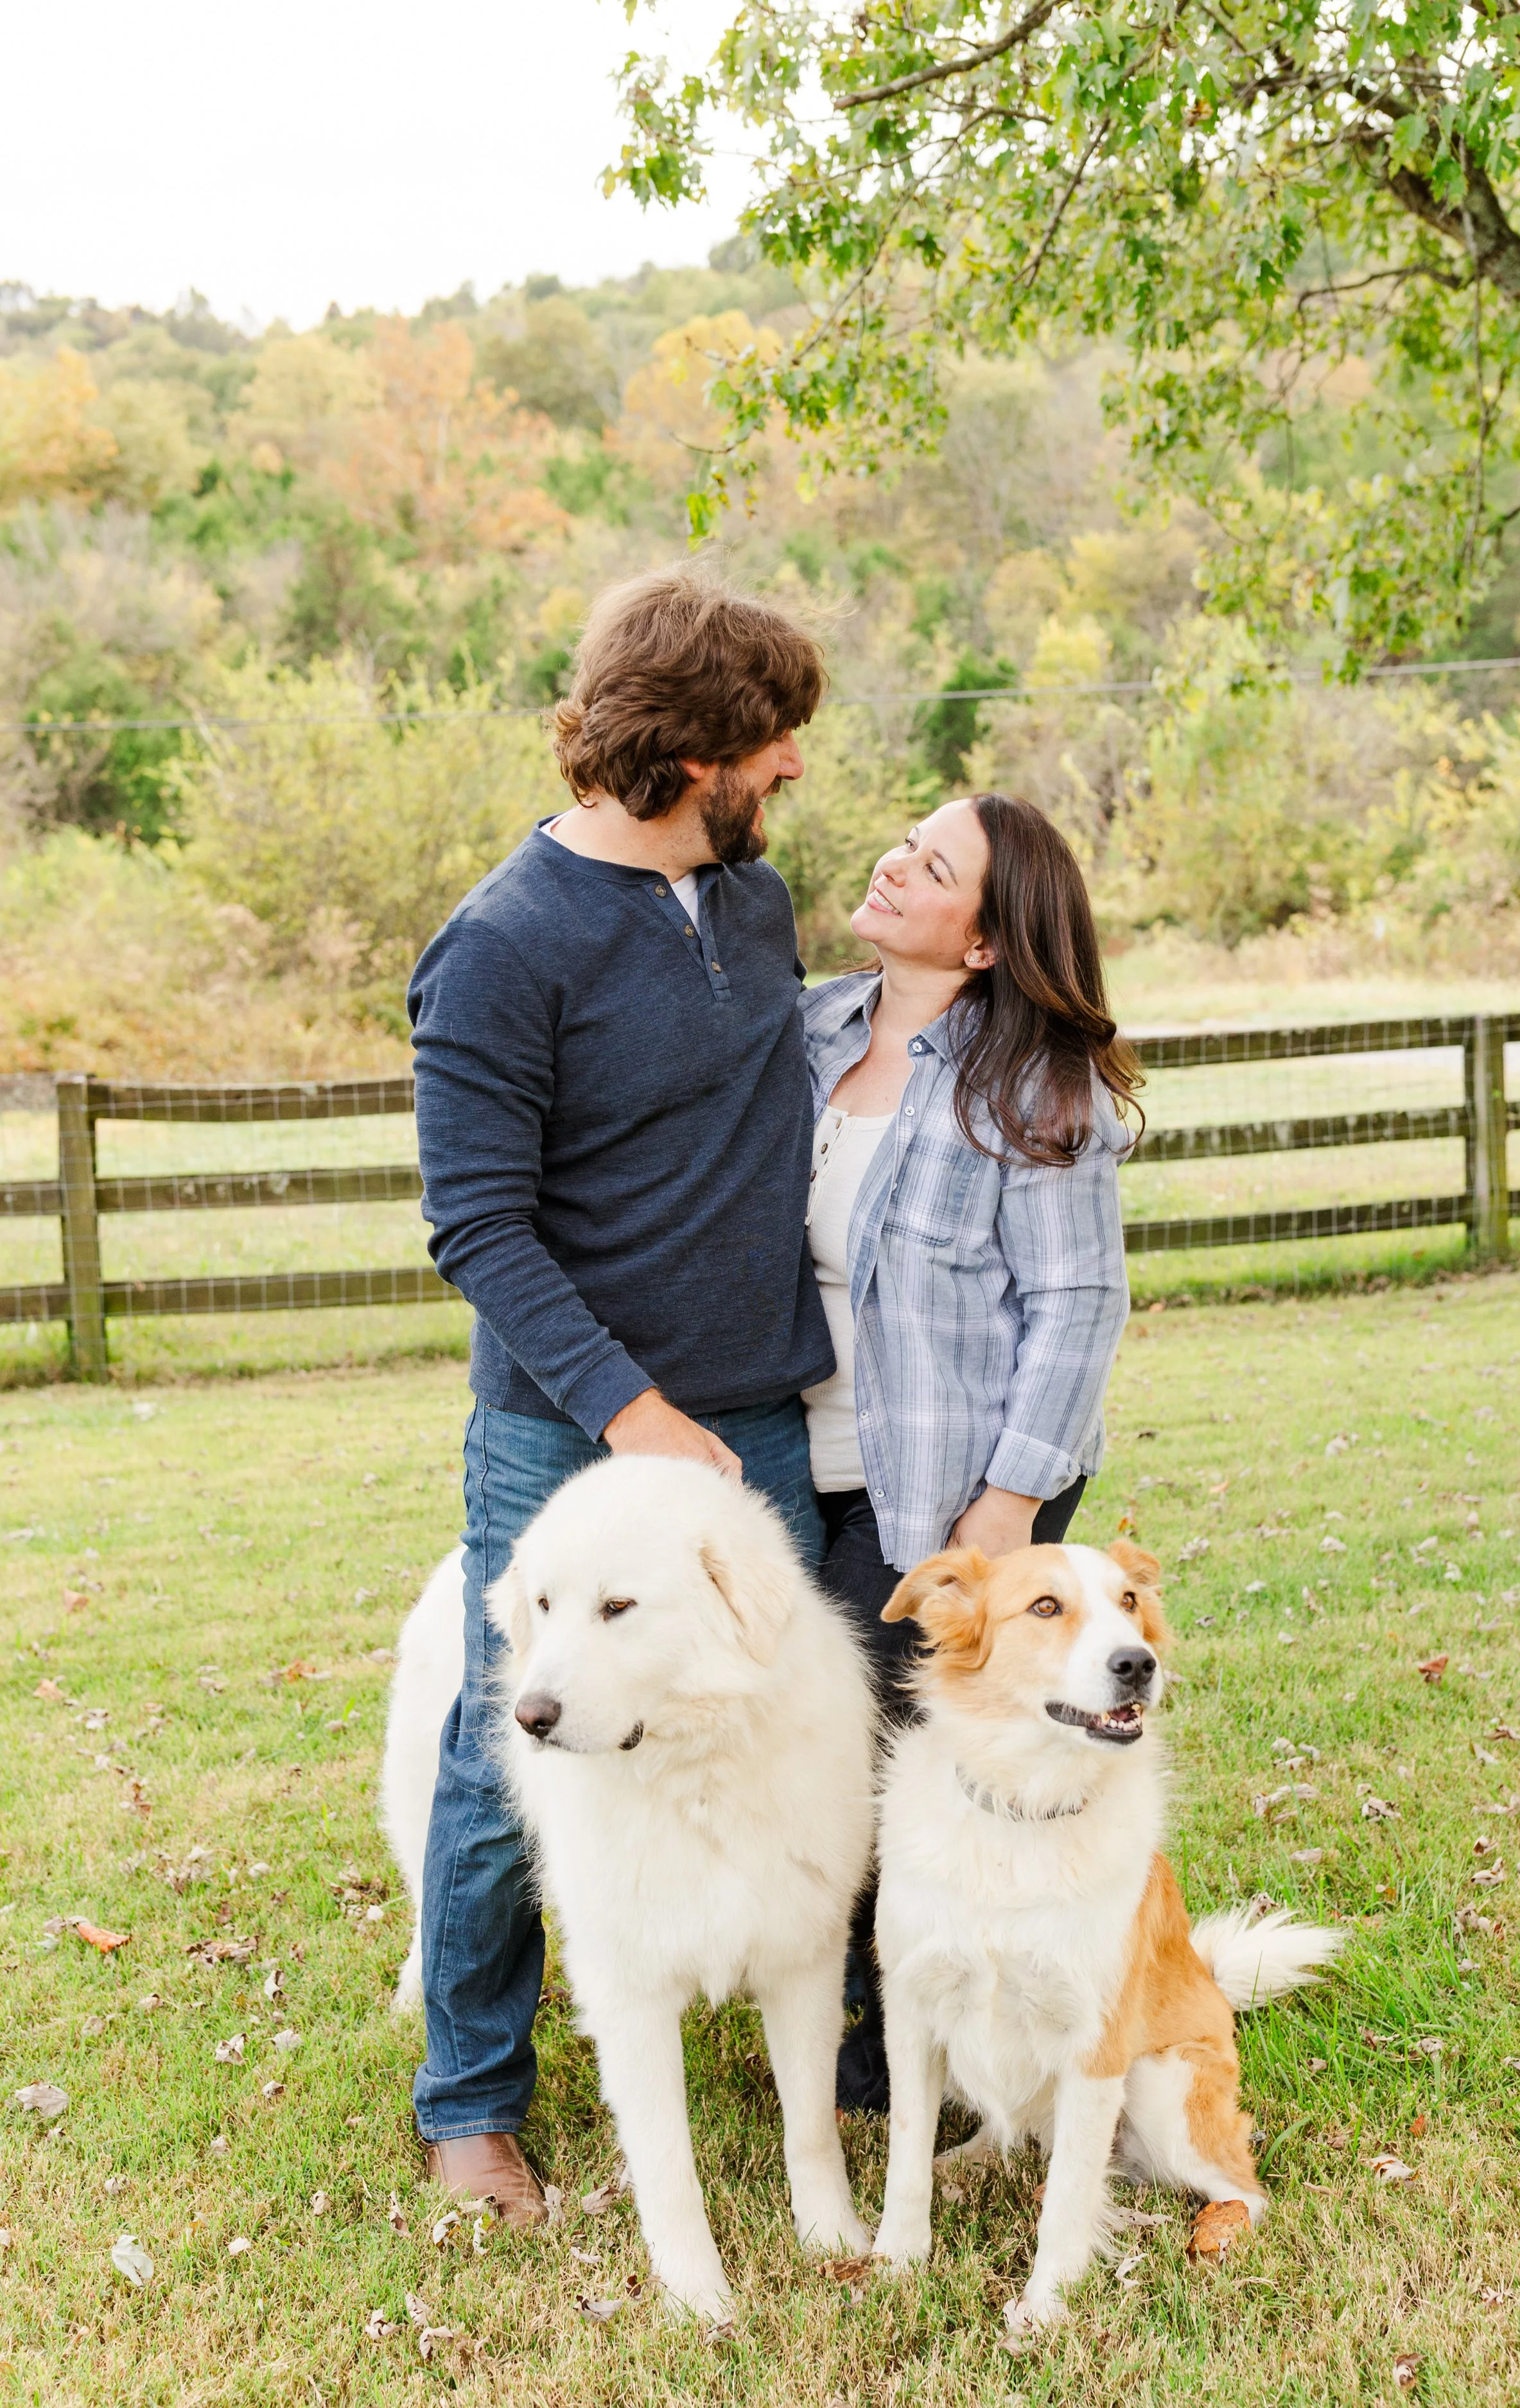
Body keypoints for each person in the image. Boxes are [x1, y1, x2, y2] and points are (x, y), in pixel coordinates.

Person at [406, 563, 834, 2221]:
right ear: (694, 745)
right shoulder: (501, 944)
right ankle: (468, 2096)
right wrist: (627, 1407)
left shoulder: (753, 898)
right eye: (775, 739)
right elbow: (475, 1220)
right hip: (566, 1435)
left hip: (764, 1421)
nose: (793, 766)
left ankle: (813, 2027)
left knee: (777, 1720)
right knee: (516, 1757)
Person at [800, 790, 1141, 2109]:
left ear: (986, 941)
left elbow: (1076, 1305)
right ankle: (852, 1991)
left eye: (929, 867)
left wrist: (1005, 1510)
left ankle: (905, 2050)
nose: (892, 865)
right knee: (833, 1739)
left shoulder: (1034, 1086)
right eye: (903, 841)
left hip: (958, 1484)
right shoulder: (808, 1028)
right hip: (797, 1447)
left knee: (898, 1747)